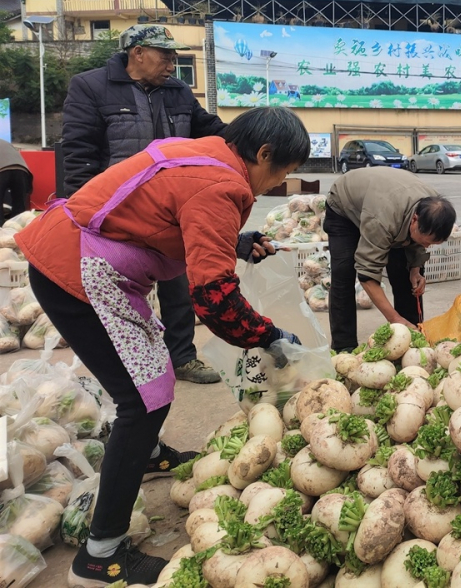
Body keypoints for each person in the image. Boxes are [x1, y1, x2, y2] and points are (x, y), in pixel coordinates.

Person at [15, 107, 308, 585]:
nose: (277, 185)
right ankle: (101, 556)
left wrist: (236, 241)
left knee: (152, 379)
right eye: (283, 173)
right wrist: (269, 337)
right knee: (142, 399)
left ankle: (148, 457)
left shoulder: (206, 157)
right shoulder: (221, 185)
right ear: (263, 153)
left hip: (86, 261)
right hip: (79, 274)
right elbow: (214, 299)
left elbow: (163, 214)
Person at [61, 24, 228, 384]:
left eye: (174, 56)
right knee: (116, 292)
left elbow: (212, 129)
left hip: (169, 208)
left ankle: (182, 357)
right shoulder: (91, 86)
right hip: (116, 210)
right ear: (137, 53)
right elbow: (79, 152)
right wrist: (81, 213)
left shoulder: (178, 92)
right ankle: (115, 368)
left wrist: (253, 135)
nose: (172, 63)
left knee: (178, 285)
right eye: (164, 55)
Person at [323, 167, 456, 352]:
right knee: (344, 273)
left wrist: (416, 270)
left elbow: (418, 244)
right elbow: (367, 274)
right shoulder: (382, 221)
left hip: (388, 204)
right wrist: (393, 318)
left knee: (403, 274)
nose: (427, 246)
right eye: (426, 242)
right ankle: (343, 347)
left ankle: (412, 341)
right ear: (415, 220)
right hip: (345, 208)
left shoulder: (435, 208)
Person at [0, 139, 32, 222]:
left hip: (2, 169)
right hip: (22, 170)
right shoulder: (5, 142)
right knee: (19, 206)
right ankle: (18, 228)